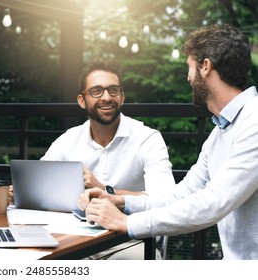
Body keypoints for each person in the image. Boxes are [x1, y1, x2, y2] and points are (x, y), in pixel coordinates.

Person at [79, 24, 258, 260]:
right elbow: (180, 195)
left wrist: (128, 223)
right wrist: (121, 202)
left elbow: (214, 202)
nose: (188, 77)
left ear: (205, 66)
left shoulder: (253, 120)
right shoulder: (220, 132)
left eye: (190, 67)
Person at [41, 57, 175, 259]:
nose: (106, 97)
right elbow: (39, 183)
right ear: (81, 100)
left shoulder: (148, 138)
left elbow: (165, 199)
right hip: (75, 239)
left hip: (131, 241)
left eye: (113, 90)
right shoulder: (68, 140)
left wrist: (106, 190)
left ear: (122, 97)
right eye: (96, 91)